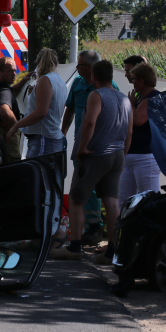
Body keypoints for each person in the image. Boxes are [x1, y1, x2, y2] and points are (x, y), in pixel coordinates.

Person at [52, 60, 132, 265]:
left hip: (96, 154)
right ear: (112, 76)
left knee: (78, 200)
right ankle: (111, 251)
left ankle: (75, 247)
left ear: (94, 77)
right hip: (117, 155)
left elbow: (89, 121)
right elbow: (129, 131)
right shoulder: (124, 98)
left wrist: (82, 148)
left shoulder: (95, 95)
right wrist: (123, 153)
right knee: (111, 201)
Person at [61, 50, 119, 245]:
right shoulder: (78, 83)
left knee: (84, 191)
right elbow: (69, 108)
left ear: (91, 68)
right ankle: (97, 233)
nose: (77, 68)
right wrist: (63, 131)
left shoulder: (107, 90)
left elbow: (91, 122)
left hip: (96, 146)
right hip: (86, 143)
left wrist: (83, 147)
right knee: (91, 192)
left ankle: (91, 230)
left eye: (80, 65)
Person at [6, 49, 67, 157]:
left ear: (38, 62)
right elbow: (56, 110)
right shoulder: (60, 81)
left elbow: (41, 112)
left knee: (35, 172)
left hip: (43, 139)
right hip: (52, 138)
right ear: (56, 64)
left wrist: (16, 126)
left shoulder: (45, 79)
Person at [118, 63, 162, 203]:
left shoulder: (153, 98)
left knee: (149, 200)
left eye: (133, 79)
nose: (131, 82)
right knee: (123, 200)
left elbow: (137, 120)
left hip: (145, 157)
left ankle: (154, 224)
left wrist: (131, 104)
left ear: (142, 81)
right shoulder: (143, 98)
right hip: (133, 155)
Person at [0, 57, 32, 163]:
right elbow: (4, 111)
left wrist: (24, 80)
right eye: (10, 71)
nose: (14, 73)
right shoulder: (4, 91)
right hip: (7, 145)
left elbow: (12, 91)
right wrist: (17, 125)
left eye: (15, 70)